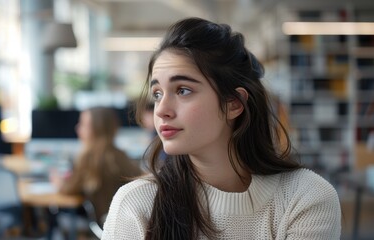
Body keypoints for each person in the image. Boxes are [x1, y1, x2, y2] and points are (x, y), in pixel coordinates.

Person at [101, 17, 341, 239]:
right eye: (157, 93)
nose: (161, 109)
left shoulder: (305, 198)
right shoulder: (136, 205)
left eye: (183, 90)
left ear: (233, 104)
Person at [50, 106, 142, 224]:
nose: (78, 128)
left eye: (83, 124)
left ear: (96, 129)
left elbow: (68, 189)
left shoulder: (89, 158)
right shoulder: (122, 156)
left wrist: (59, 182)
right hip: (126, 224)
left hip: (103, 225)